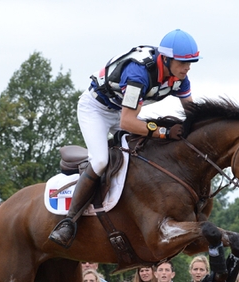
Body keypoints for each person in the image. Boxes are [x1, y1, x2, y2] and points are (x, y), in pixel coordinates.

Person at [49, 29, 201, 249]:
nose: (187, 68)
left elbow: (191, 113)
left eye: (191, 63)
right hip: (97, 110)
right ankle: (68, 222)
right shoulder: (137, 74)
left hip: (125, 111)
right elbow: (127, 122)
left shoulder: (179, 79)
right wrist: (163, 132)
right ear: (166, 60)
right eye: (183, 63)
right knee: (101, 160)